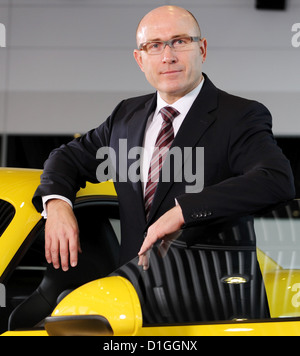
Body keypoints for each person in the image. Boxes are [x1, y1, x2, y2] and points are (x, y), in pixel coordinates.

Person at [32, 5, 295, 272]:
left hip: (213, 300)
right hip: (134, 296)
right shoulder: (125, 116)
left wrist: (182, 212)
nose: (168, 56)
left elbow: (275, 179)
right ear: (139, 59)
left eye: (179, 42)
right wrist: (57, 206)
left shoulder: (239, 116)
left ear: (202, 49)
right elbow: (66, 158)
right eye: (154, 46)